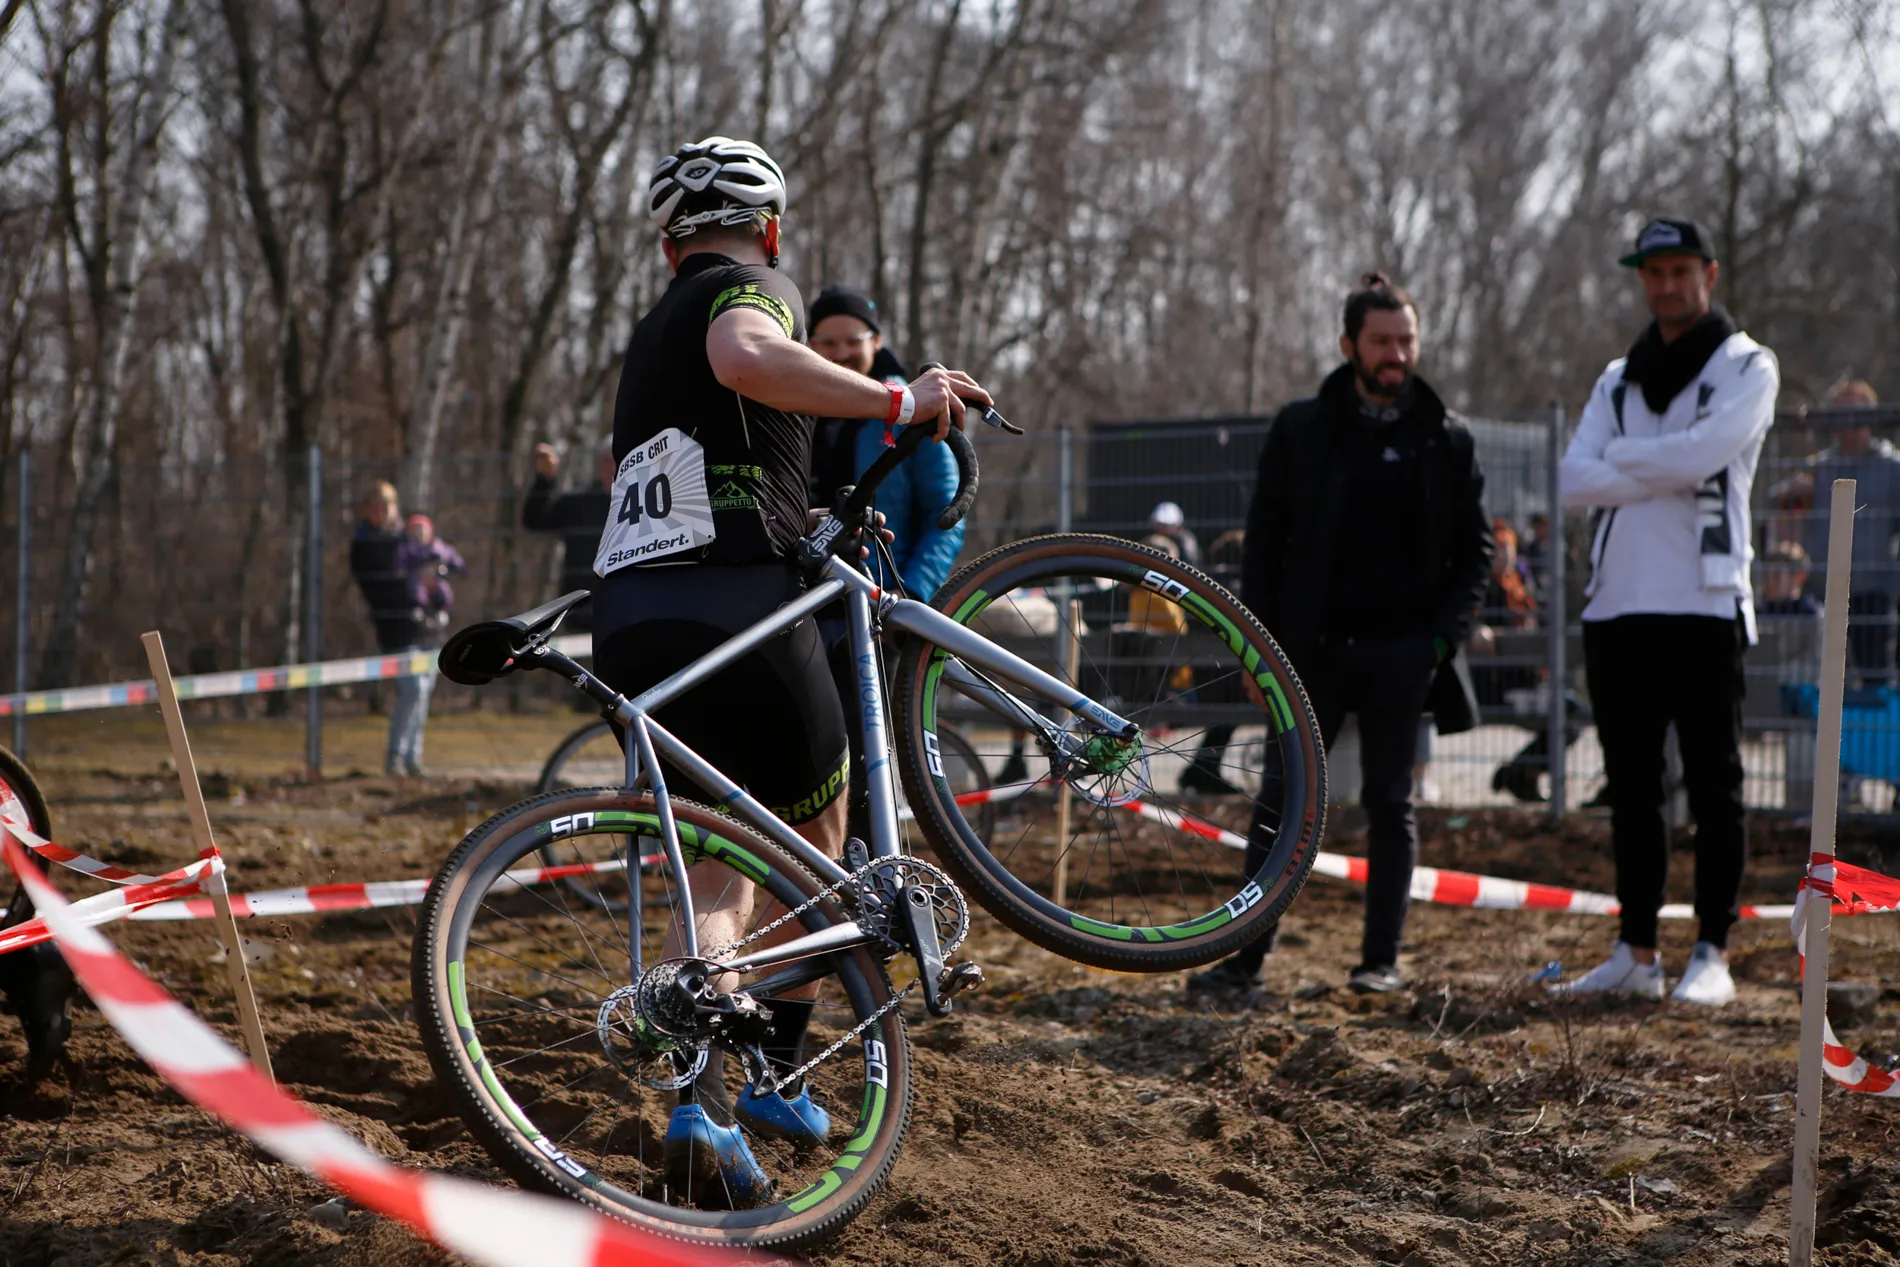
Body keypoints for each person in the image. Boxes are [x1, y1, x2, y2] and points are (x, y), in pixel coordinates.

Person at [591, 135, 988, 1202]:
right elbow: (747, 360)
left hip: (632, 623)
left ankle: (707, 1106)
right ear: (765, 226)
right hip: (737, 609)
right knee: (820, 852)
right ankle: (767, 1061)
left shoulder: (645, 335)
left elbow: (646, 464)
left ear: (666, 237)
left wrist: (789, 507)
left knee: (718, 875)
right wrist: (900, 403)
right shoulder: (748, 284)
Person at [1188, 273, 1491, 997]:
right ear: (1349, 344)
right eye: (1382, 340)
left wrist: (1442, 642)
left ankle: (1378, 962)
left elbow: (1477, 552)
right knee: (1283, 801)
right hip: (1307, 653)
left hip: (1405, 654)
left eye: (1406, 340)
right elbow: (1264, 544)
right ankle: (1245, 959)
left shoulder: (1446, 437)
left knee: (1392, 804)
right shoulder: (1301, 428)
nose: (1396, 353)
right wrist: (1260, 646)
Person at [1553, 217, 1779, 1006]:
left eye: (1680, 269)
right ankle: (1636, 949)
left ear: (1708, 274)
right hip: (1617, 604)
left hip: (1706, 600)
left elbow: (1703, 455)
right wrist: (1655, 463)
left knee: (1715, 786)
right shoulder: (1616, 378)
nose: (1665, 284)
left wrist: (1627, 459)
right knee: (1632, 787)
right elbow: (1574, 479)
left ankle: (1712, 948)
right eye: (1652, 272)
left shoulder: (1747, 364)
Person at [805, 284, 966, 600]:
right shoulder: (791, 410)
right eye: (828, 343)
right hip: (800, 595)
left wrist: (911, 593)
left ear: (876, 341)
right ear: (809, 345)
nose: (841, 354)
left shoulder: (915, 411)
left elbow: (945, 513)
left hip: (882, 597)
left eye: (854, 341)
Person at [1792, 381, 1900, 686]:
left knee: (1874, 680)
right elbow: (1778, 502)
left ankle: (1877, 733)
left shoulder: (1892, 467)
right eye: (1839, 414)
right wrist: (1795, 493)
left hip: (1872, 593)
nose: (1846, 424)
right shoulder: (1820, 467)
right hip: (1821, 592)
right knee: (1823, 681)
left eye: (1853, 414)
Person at [349, 482, 437, 778]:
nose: (383, 511)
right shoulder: (365, 544)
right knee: (414, 689)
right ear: (367, 510)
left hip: (424, 625)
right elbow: (378, 587)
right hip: (395, 627)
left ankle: (413, 757)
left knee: (424, 690)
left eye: (388, 504)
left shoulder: (405, 537)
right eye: (376, 505)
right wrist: (409, 581)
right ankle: (395, 757)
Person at [522, 441, 615, 630]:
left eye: (618, 459)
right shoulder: (579, 504)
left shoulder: (641, 507)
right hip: (580, 607)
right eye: (607, 460)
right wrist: (544, 479)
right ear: (598, 464)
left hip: (624, 606)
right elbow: (535, 520)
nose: (613, 466)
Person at [397, 514, 468, 631]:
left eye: (422, 529)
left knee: (444, 589)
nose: (419, 532)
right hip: (418, 577)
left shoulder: (438, 546)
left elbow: (451, 556)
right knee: (415, 588)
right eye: (415, 529)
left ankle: (442, 610)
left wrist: (461, 567)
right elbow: (401, 560)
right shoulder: (407, 547)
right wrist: (401, 570)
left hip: (437, 577)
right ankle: (418, 608)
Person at [1148, 501, 1203, 569]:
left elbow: (1192, 565)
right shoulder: (1149, 540)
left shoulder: (1186, 542)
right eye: (1161, 525)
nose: (1164, 529)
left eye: (1168, 525)